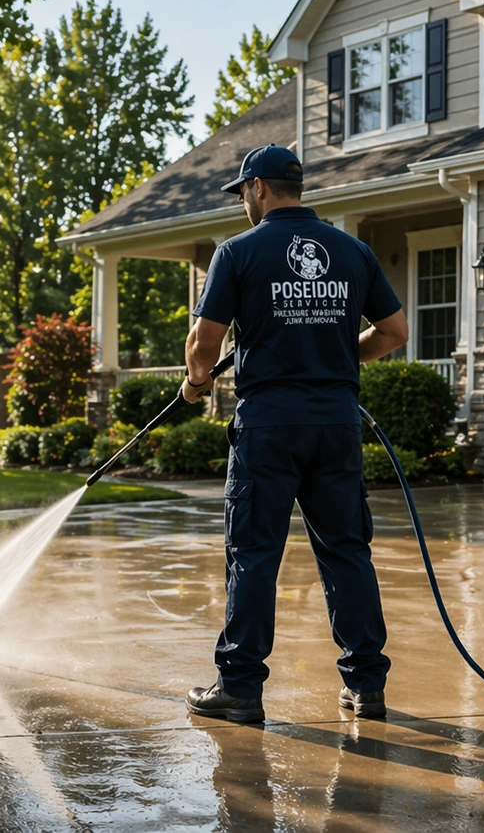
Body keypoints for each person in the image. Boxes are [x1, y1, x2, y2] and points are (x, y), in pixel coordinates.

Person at [181, 143, 409, 724]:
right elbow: (394, 332)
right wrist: (340, 359)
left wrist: (197, 382)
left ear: (258, 188)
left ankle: (239, 689)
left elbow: (205, 341)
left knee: (254, 554)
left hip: (269, 427)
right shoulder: (352, 251)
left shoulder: (238, 251)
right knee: (347, 551)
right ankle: (366, 686)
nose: (243, 203)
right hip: (336, 424)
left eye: (243, 192)